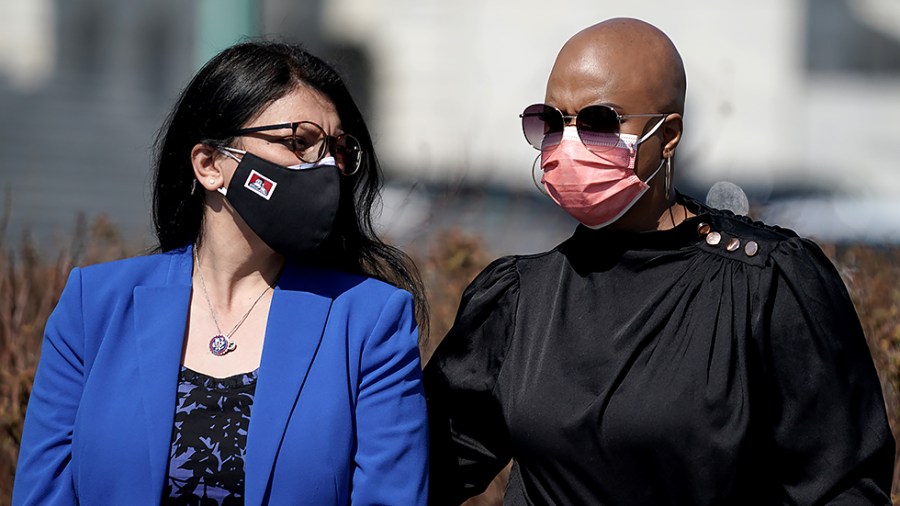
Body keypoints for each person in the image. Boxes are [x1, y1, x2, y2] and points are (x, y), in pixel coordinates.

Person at [425, 17, 894, 505]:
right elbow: (416, 466)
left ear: (668, 135)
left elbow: (843, 486)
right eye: (550, 122)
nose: (568, 144)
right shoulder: (519, 297)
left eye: (599, 121)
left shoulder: (765, 284)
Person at [13, 41, 429, 505]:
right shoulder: (95, 305)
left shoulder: (370, 320)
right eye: (299, 142)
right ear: (211, 165)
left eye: (337, 149)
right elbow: (44, 493)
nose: (326, 167)